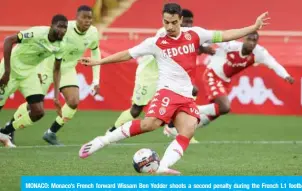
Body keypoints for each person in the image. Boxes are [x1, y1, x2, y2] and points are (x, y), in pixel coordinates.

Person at [78, 3, 269, 174]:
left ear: (181, 21)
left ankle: (162, 167)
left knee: (187, 130)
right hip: (167, 91)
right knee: (150, 124)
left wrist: (253, 27)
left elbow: (225, 35)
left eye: (173, 22)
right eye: (166, 22)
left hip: (185, 96)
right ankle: (101, 141)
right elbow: (127, 54)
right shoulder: (156, 42)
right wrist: (99, 61)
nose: (169, 26)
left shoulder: (195, 34)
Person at [107, 8, 215, 144]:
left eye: (190, 23)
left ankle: (174, 128)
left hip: (168, 77)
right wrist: (203, 49)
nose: (188, 26)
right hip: (149, 74)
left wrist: (201, 48)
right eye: (186, 22)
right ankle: (112, 132)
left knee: (191, 91)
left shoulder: (188, 35)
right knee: (136, 110)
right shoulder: (164, 33)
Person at [163, 32, 294, 137]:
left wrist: (285, 75)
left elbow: (273, 63)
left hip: (225, 81)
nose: (251, 43)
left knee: (216, 112)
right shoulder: (231, 46)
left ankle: (181, 130)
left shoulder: (259, 53)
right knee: (224, 107)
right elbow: (211, 38)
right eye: (249, 39)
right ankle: (184, 110)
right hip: (212, 74)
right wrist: (201, 47)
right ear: (244, 39)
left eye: (254, 40)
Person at [10, 5, 101, 145]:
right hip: (47, 66)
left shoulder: (93, 33)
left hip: (68, 68)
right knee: (33, 105)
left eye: (90, 18)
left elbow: (95, 52)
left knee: (73, 101)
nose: (87, 21)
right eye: (84, 17)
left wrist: (96, 80)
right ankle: (9, 128)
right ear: (76, 17)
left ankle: (51, 133)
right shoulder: (65, 28)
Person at [0, 15, 68, 147]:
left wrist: (55, 97)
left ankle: (5, 131)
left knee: (38, 112)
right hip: (11, 69)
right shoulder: (37, 33)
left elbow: (57, 70)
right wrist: (7, 71)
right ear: (51, 26)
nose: (63, 30)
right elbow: (8, 40)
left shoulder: (61, 45)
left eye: (65, 27)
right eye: (60, 26)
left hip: (29, 73)